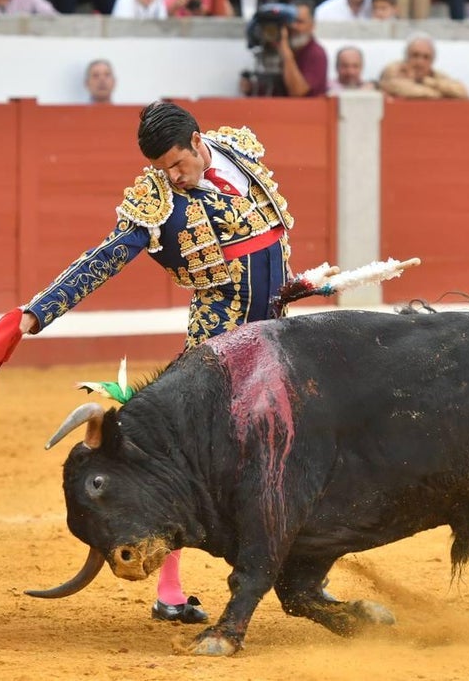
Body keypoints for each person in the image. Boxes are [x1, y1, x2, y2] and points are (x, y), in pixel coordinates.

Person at [18, 101, 298, 625]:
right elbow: (104, 259)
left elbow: (270, 241)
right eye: (161, 169)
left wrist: (297, 285)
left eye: (176, 163)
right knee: (182, 460)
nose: (172, 176)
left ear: (197, 141)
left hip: (277, 338)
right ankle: (169, 592)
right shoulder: (157, 201)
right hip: (215, 350)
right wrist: (37, 313)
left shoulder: (240, 152)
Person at [243, 0, 328, 97]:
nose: (293, 26)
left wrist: (285, 50)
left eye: (299, 22)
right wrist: (250, 87)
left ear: (312, 25)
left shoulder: (316, 53)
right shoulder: (275, 47)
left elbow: (298, 92)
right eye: (289, 21)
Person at [378, 32, 469, 99]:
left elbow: (462, 92)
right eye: (415, 55)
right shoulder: (394, 69)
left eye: (426, 57)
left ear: (432, 60)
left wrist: (425, 80)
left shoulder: (436, 75)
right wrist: (442, 94)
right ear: (406, 56)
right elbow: (408, 90)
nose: (420, 62)